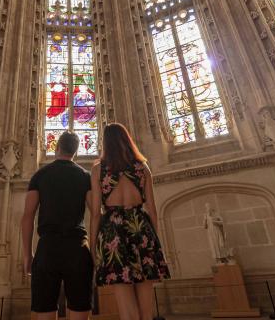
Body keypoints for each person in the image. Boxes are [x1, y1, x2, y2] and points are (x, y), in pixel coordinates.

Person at [90, 123, 170, 320]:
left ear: (105, 143)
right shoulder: (142, 168)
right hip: (141, 229)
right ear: (127, 140)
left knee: (126, 307)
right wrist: (154, 240)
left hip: (113, 232)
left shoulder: (99, 170)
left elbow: (95, 214)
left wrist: (92, 245)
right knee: (146, 308)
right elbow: (152, 209)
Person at [21, 131, 93, 320]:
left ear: (56, 148)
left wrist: (28, 255)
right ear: (75, 152)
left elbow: (27, 217)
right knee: (79, 307)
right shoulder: (85, 177)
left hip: (47, 248)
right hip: (78, 248)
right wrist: (94, 250)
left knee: (44, 310)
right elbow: (97, 214)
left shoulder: (40, 175)